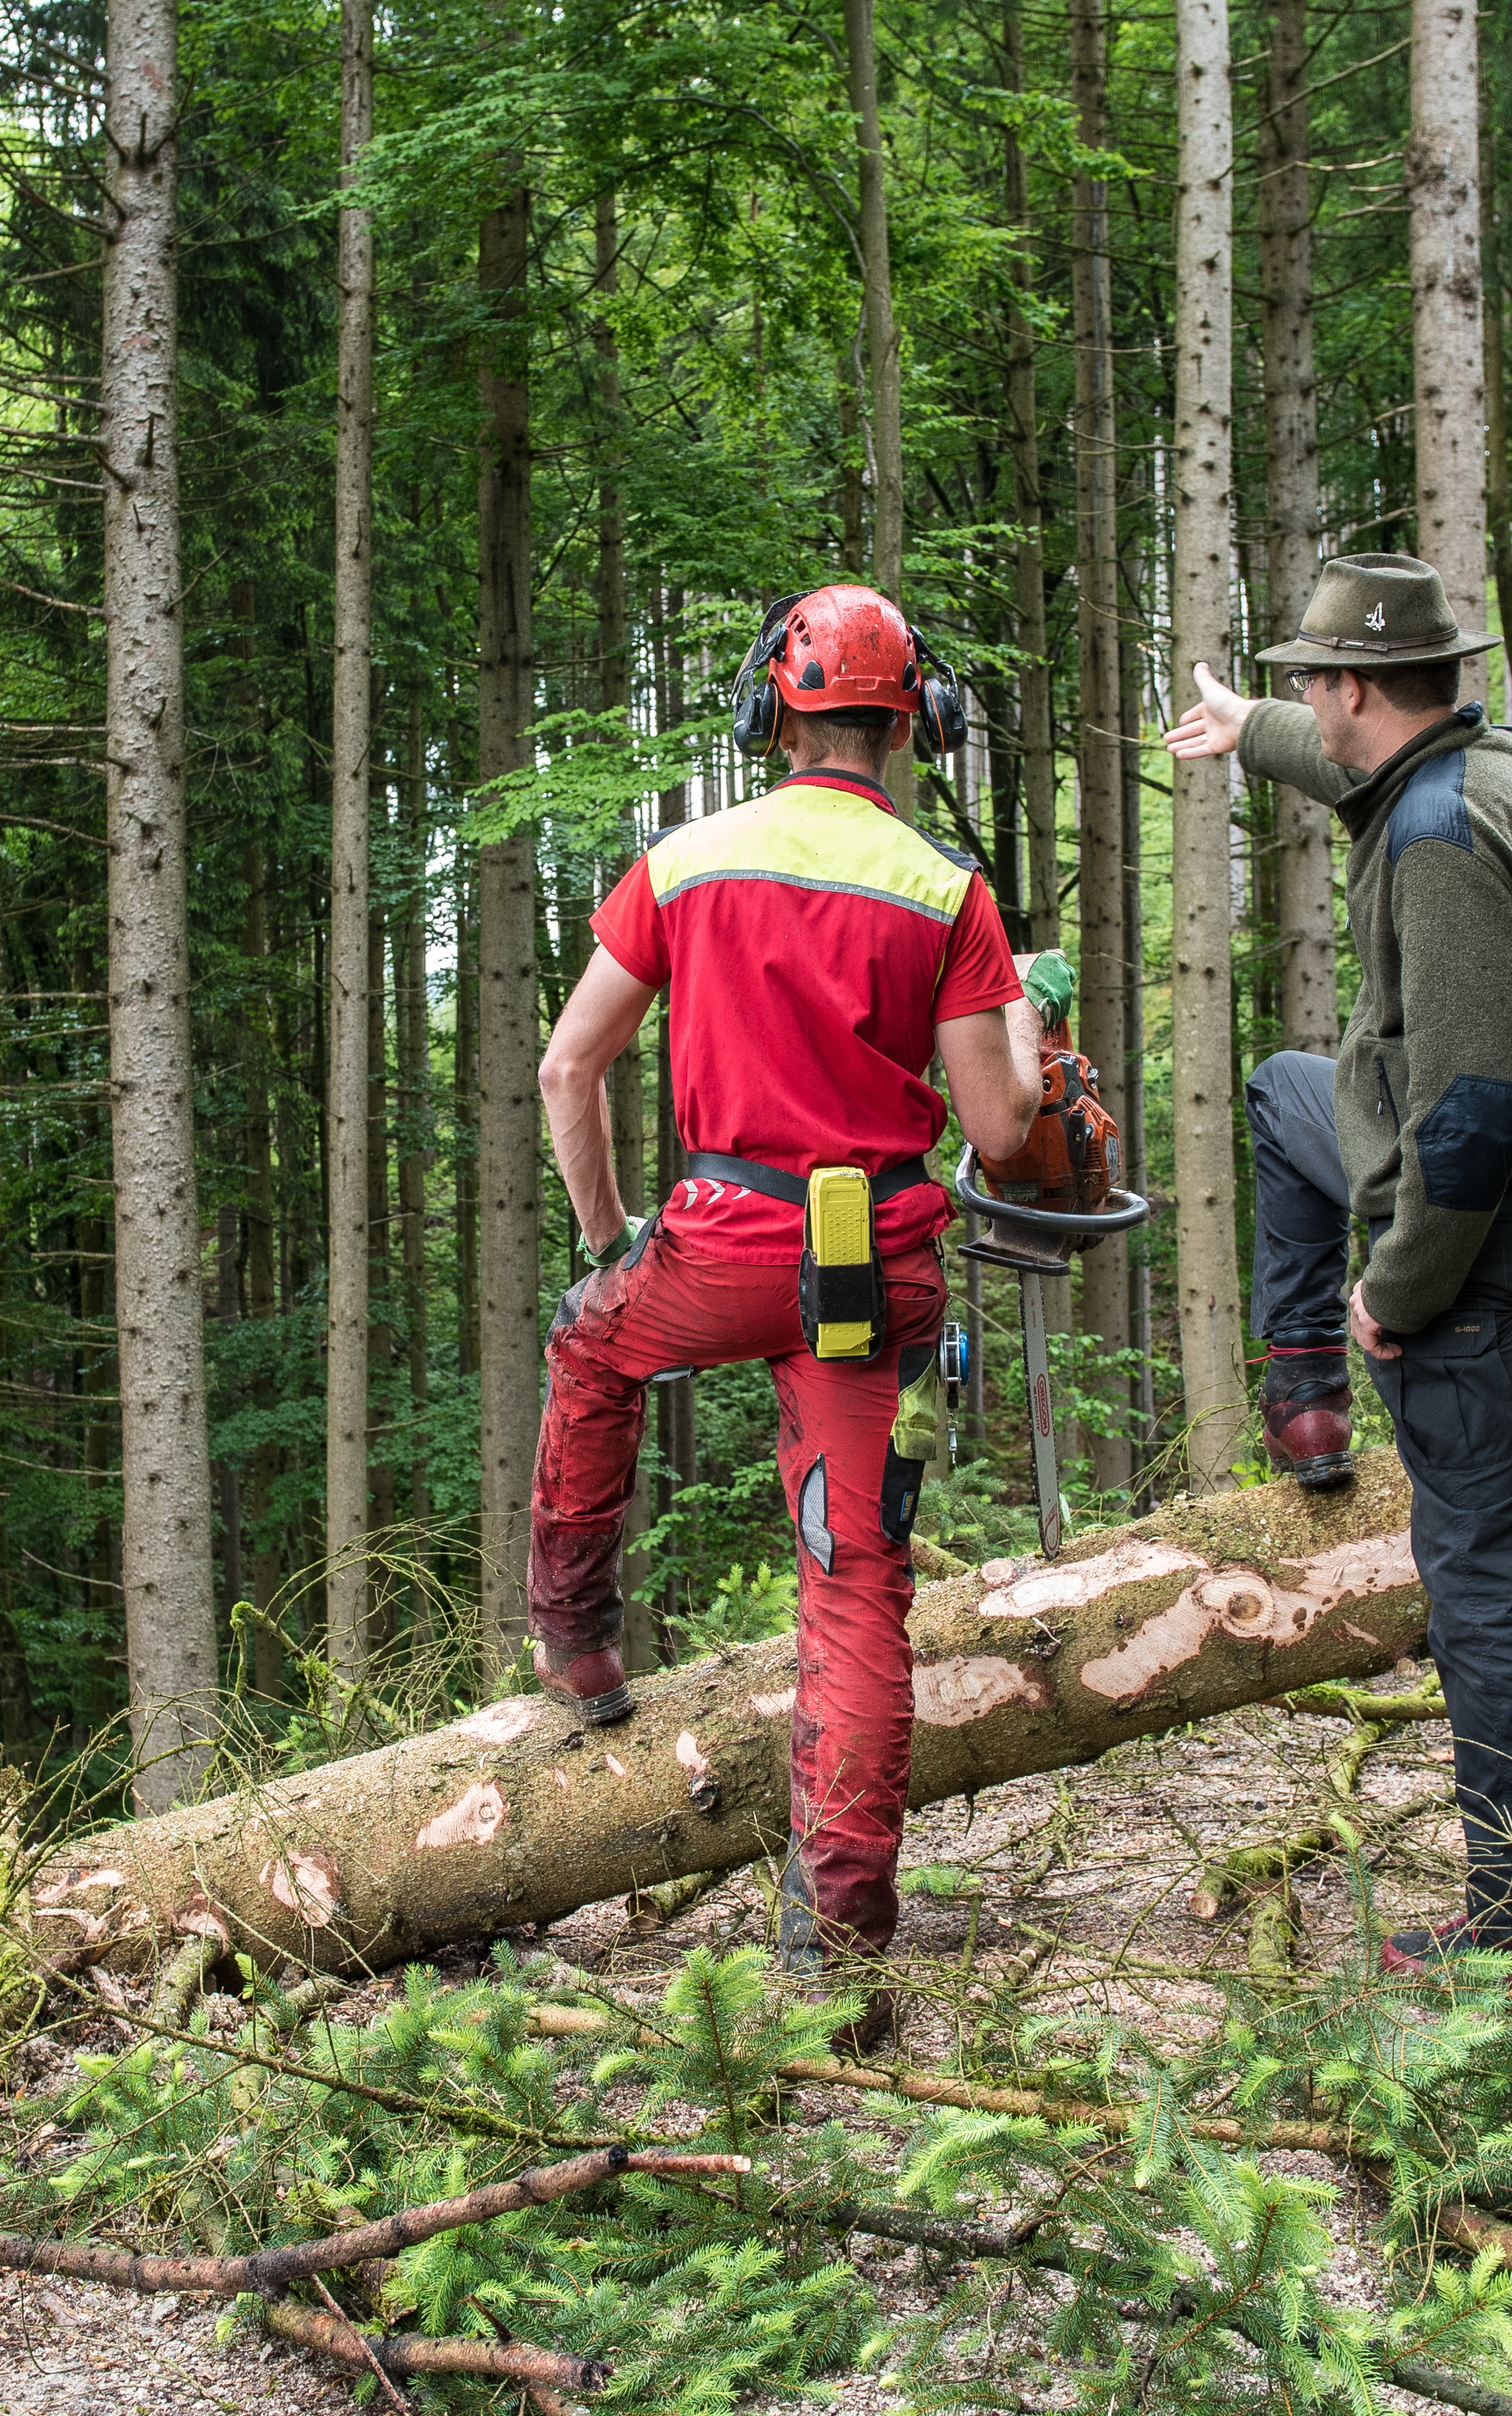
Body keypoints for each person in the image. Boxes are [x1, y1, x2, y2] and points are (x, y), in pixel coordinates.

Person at [532, 585, 1046, 2040]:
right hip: (864, 1261)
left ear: (775, 706)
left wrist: (607, 1241)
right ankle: (840, 1948)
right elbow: (1003, 1136)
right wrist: (1018, 1018)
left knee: (589, 1338)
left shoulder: (685, 864)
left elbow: (570, 1072)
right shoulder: (946, 890)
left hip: (713, 1238)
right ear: (911, 720)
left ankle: (575, 1639)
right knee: (851, 1575)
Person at [1164, 552, 1512, 1990]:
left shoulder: (1438, 846)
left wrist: (1400, 1290)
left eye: (1310, 686)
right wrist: (1248, 729)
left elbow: (1475, 1104)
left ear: (1356, 685)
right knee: (1280, 1088)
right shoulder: (1503, 758)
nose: (1308, 703)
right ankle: (1303, 1402)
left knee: (1478, 1574)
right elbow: (1356, 763)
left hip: (1483, 1214)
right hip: (1483, 1161)